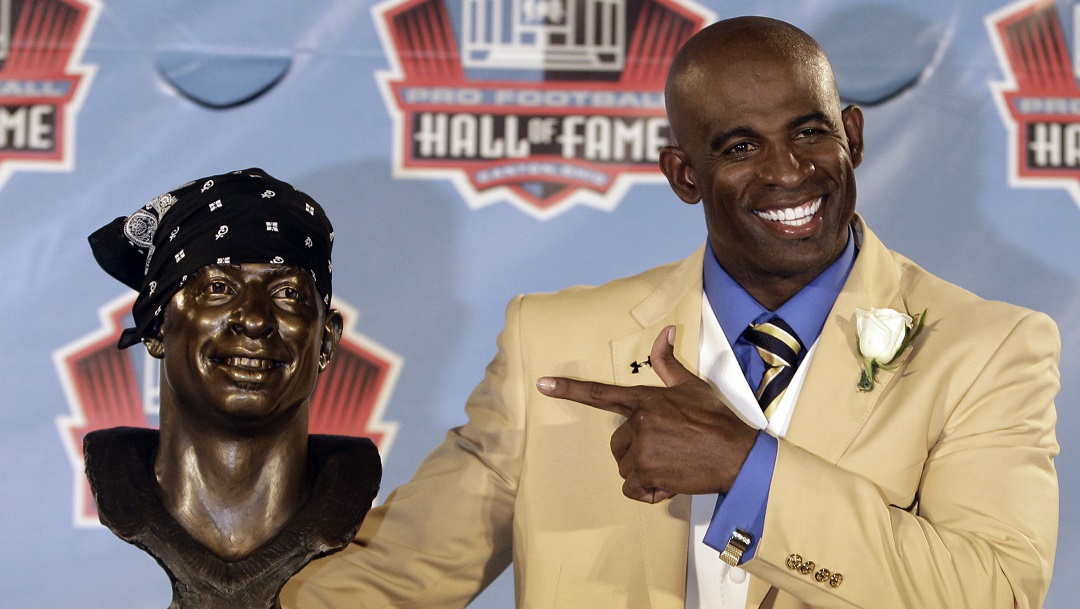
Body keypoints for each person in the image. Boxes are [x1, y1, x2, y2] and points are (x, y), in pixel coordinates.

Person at [283, 17, 1060, 609]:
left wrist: (744, 469)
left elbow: (993, 589)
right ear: (684, 174)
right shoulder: (557, 345)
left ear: (851, 136)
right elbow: (403, 572)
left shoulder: (989, 347)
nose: (788, 173)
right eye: (739, 147)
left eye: (809, 132)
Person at [84, 169, 381, 609]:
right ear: (156, 327)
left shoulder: (347, 491)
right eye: (219, 288)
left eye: (287, 294)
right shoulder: (117, 480)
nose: (256, 319)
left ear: (326, 340)